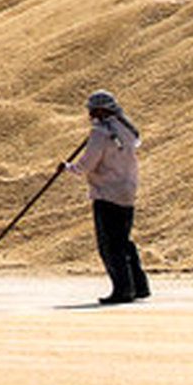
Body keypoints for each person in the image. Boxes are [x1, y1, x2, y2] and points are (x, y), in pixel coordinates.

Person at [63, 90, 150, 304]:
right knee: (124, 241)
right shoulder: (125, 128)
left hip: (107, 192)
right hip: (127, 190)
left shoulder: (100, 133)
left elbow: (87, 164)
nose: (89, 114)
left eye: (92, 110)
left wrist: (68, 168)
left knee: (110, 246)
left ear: (100, 110)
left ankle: (122, 290)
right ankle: (139, 286)